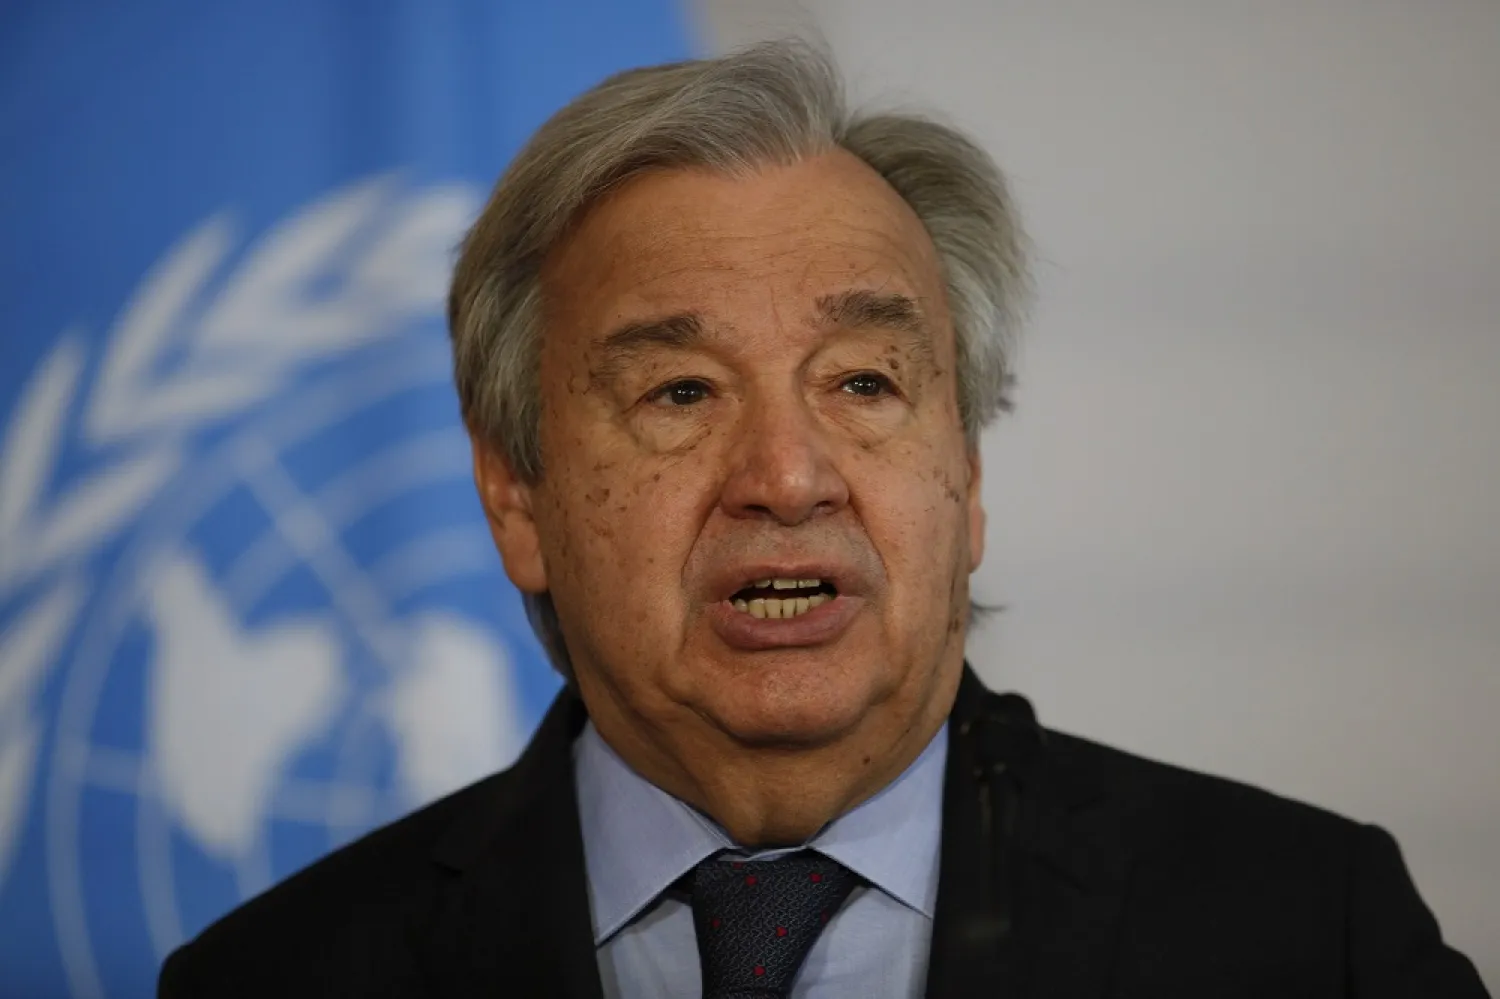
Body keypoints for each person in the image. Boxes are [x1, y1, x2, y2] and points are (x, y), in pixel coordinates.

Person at [158, 41, 1489, 999]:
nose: (789, 477)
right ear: (518, 495)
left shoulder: (1311, 934)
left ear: (967, 473)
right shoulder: (274, 976)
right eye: (681, 391)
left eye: (863, 383)